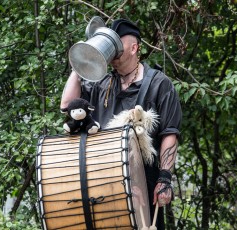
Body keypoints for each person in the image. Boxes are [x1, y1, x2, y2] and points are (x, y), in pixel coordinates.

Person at [61, 18, 182, 230]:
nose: (112, 49)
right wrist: (81, 63)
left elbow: (169, 133)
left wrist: (164, 179)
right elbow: (67, 105)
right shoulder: (102, 83)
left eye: (118, 42)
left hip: (144, 186)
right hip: (103, 184)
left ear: (133, 48)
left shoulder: (158, 83)